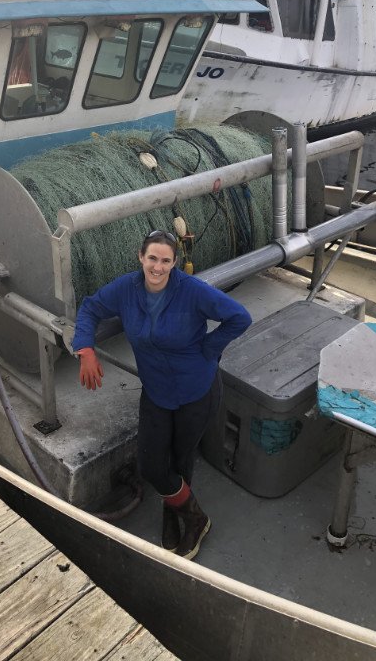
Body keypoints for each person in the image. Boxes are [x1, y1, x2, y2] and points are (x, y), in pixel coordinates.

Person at [72, 229, 252, 560]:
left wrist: (208, 350)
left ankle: (175, 513)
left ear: (175, 263)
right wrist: (85, 348)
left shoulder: (192, 291)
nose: (158, 267)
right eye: (152, 258)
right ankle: (196, 518)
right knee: (152, 463)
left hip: (196, 390)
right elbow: (90, 308)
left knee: (181, 459)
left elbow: (240, 317)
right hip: (156, 390)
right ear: (141, 257)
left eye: (165, 261)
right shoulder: (126, 289)